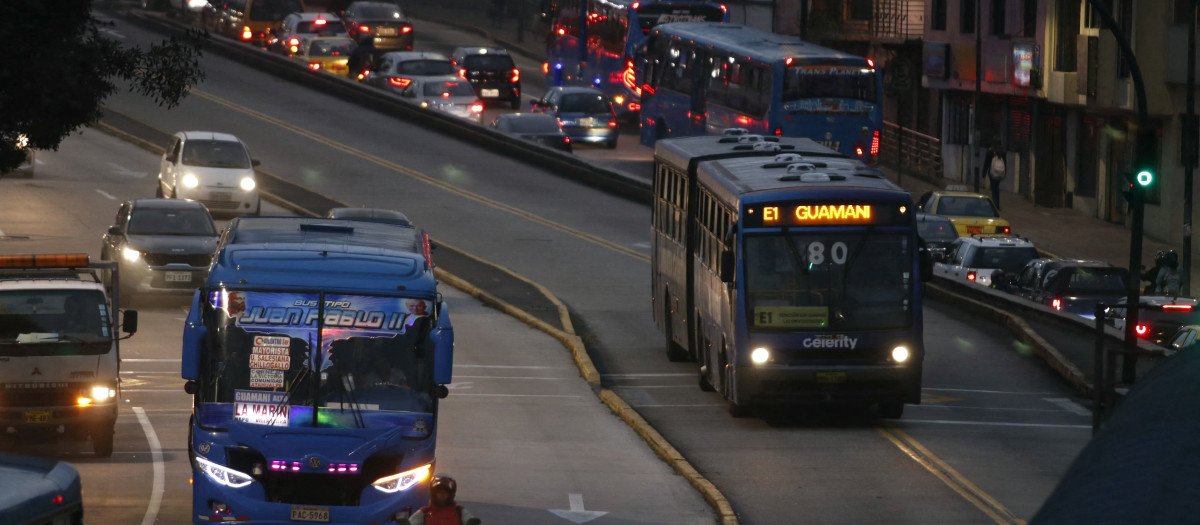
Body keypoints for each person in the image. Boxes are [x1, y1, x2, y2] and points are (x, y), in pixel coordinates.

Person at [404, 474, 480, 525]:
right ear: (434, 494)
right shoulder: (424, 512)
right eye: (439, 493)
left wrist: (471, 522)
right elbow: (412, 522)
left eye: (445, 493)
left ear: (450, 495)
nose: (442, 496)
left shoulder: (459, 511)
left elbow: (469, 519)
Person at [983, 140, 1006, 211]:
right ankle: (997, 204)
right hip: (1000, 172)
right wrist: (1005, 172)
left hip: (992, 172)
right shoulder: (1002, 152)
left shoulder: (990, 151)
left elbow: (986, 163)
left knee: (993, 188)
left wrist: (984, 172)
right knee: (997, 188)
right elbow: (1005, 162)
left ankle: (994, 204)